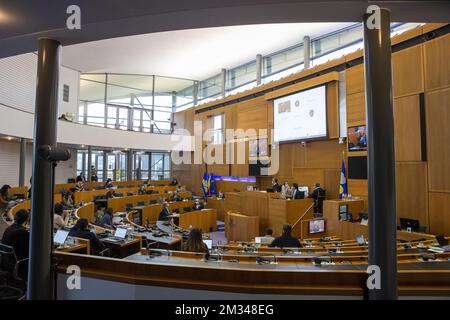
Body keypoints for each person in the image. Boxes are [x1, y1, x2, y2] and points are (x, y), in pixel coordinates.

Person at [1, 209, 30, 277]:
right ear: (26, 220)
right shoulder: (22, 232)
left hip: (6, 263)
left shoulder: (8, 229)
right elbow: (29, 250)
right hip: (19, 265)